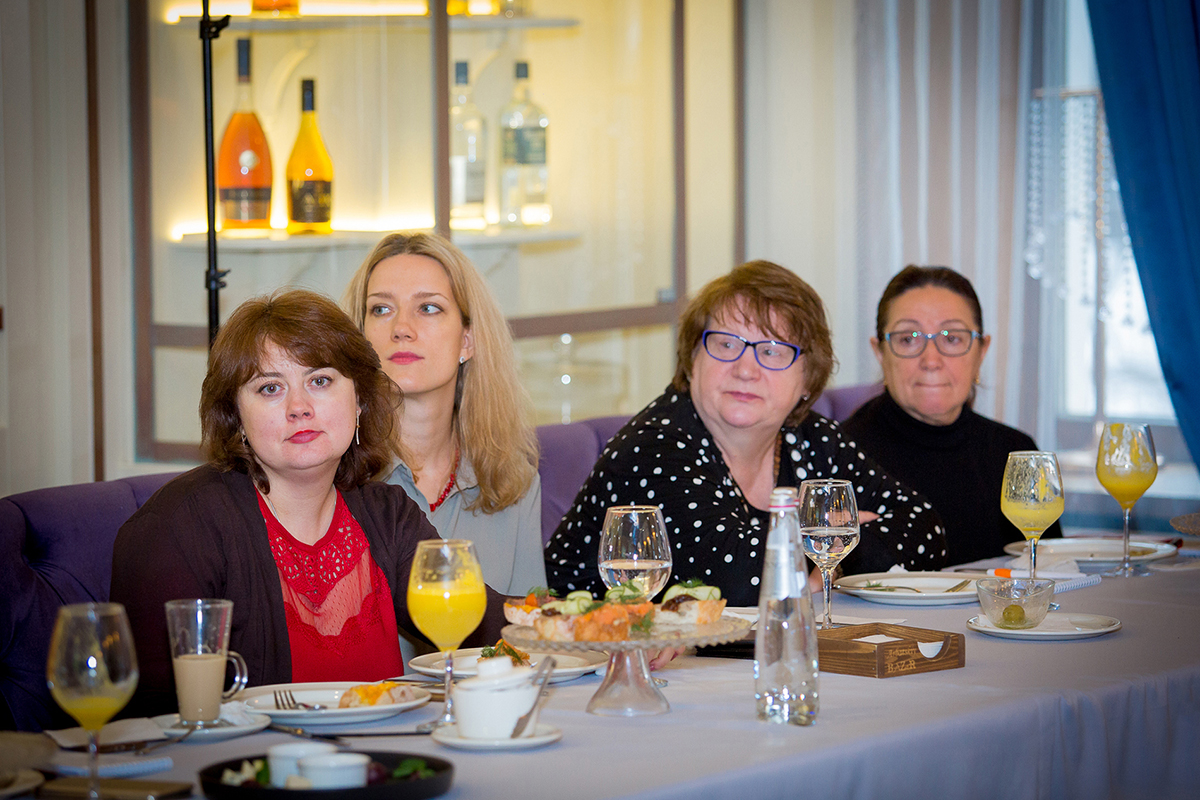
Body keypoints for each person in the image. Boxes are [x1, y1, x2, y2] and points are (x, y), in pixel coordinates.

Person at [111, 290, 507, 718]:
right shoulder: (179, 529)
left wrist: (556, 617)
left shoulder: (386, 514)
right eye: (270, 388)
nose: (298, 408)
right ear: (236, 416)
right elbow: (151, 722)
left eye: (320, 381)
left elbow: (482, 622)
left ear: (359, 399)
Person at [544, 261, 947, 606]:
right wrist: (834, 545)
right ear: (692, 359)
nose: (746, 369)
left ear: (808, 378)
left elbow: (925, 531)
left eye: (771, 351)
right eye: (725, 344)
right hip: (579, 661)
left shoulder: (811, 438)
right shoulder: (655, 446)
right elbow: (737, 582)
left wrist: (826, 559)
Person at [343, 232, 544, 595]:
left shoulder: (515, 481)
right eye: (381, 309)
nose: (401, 329)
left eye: (428, 308)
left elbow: (529, 625)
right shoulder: (335, 476)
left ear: (467, 340)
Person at [842, 264, 1060, 566]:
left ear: (981, 351)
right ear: (880, 352)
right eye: (908, 339)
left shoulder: (1015, 455)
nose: (931, 360)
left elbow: (1051, 575)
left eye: (952, 338)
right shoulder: (841, 457)